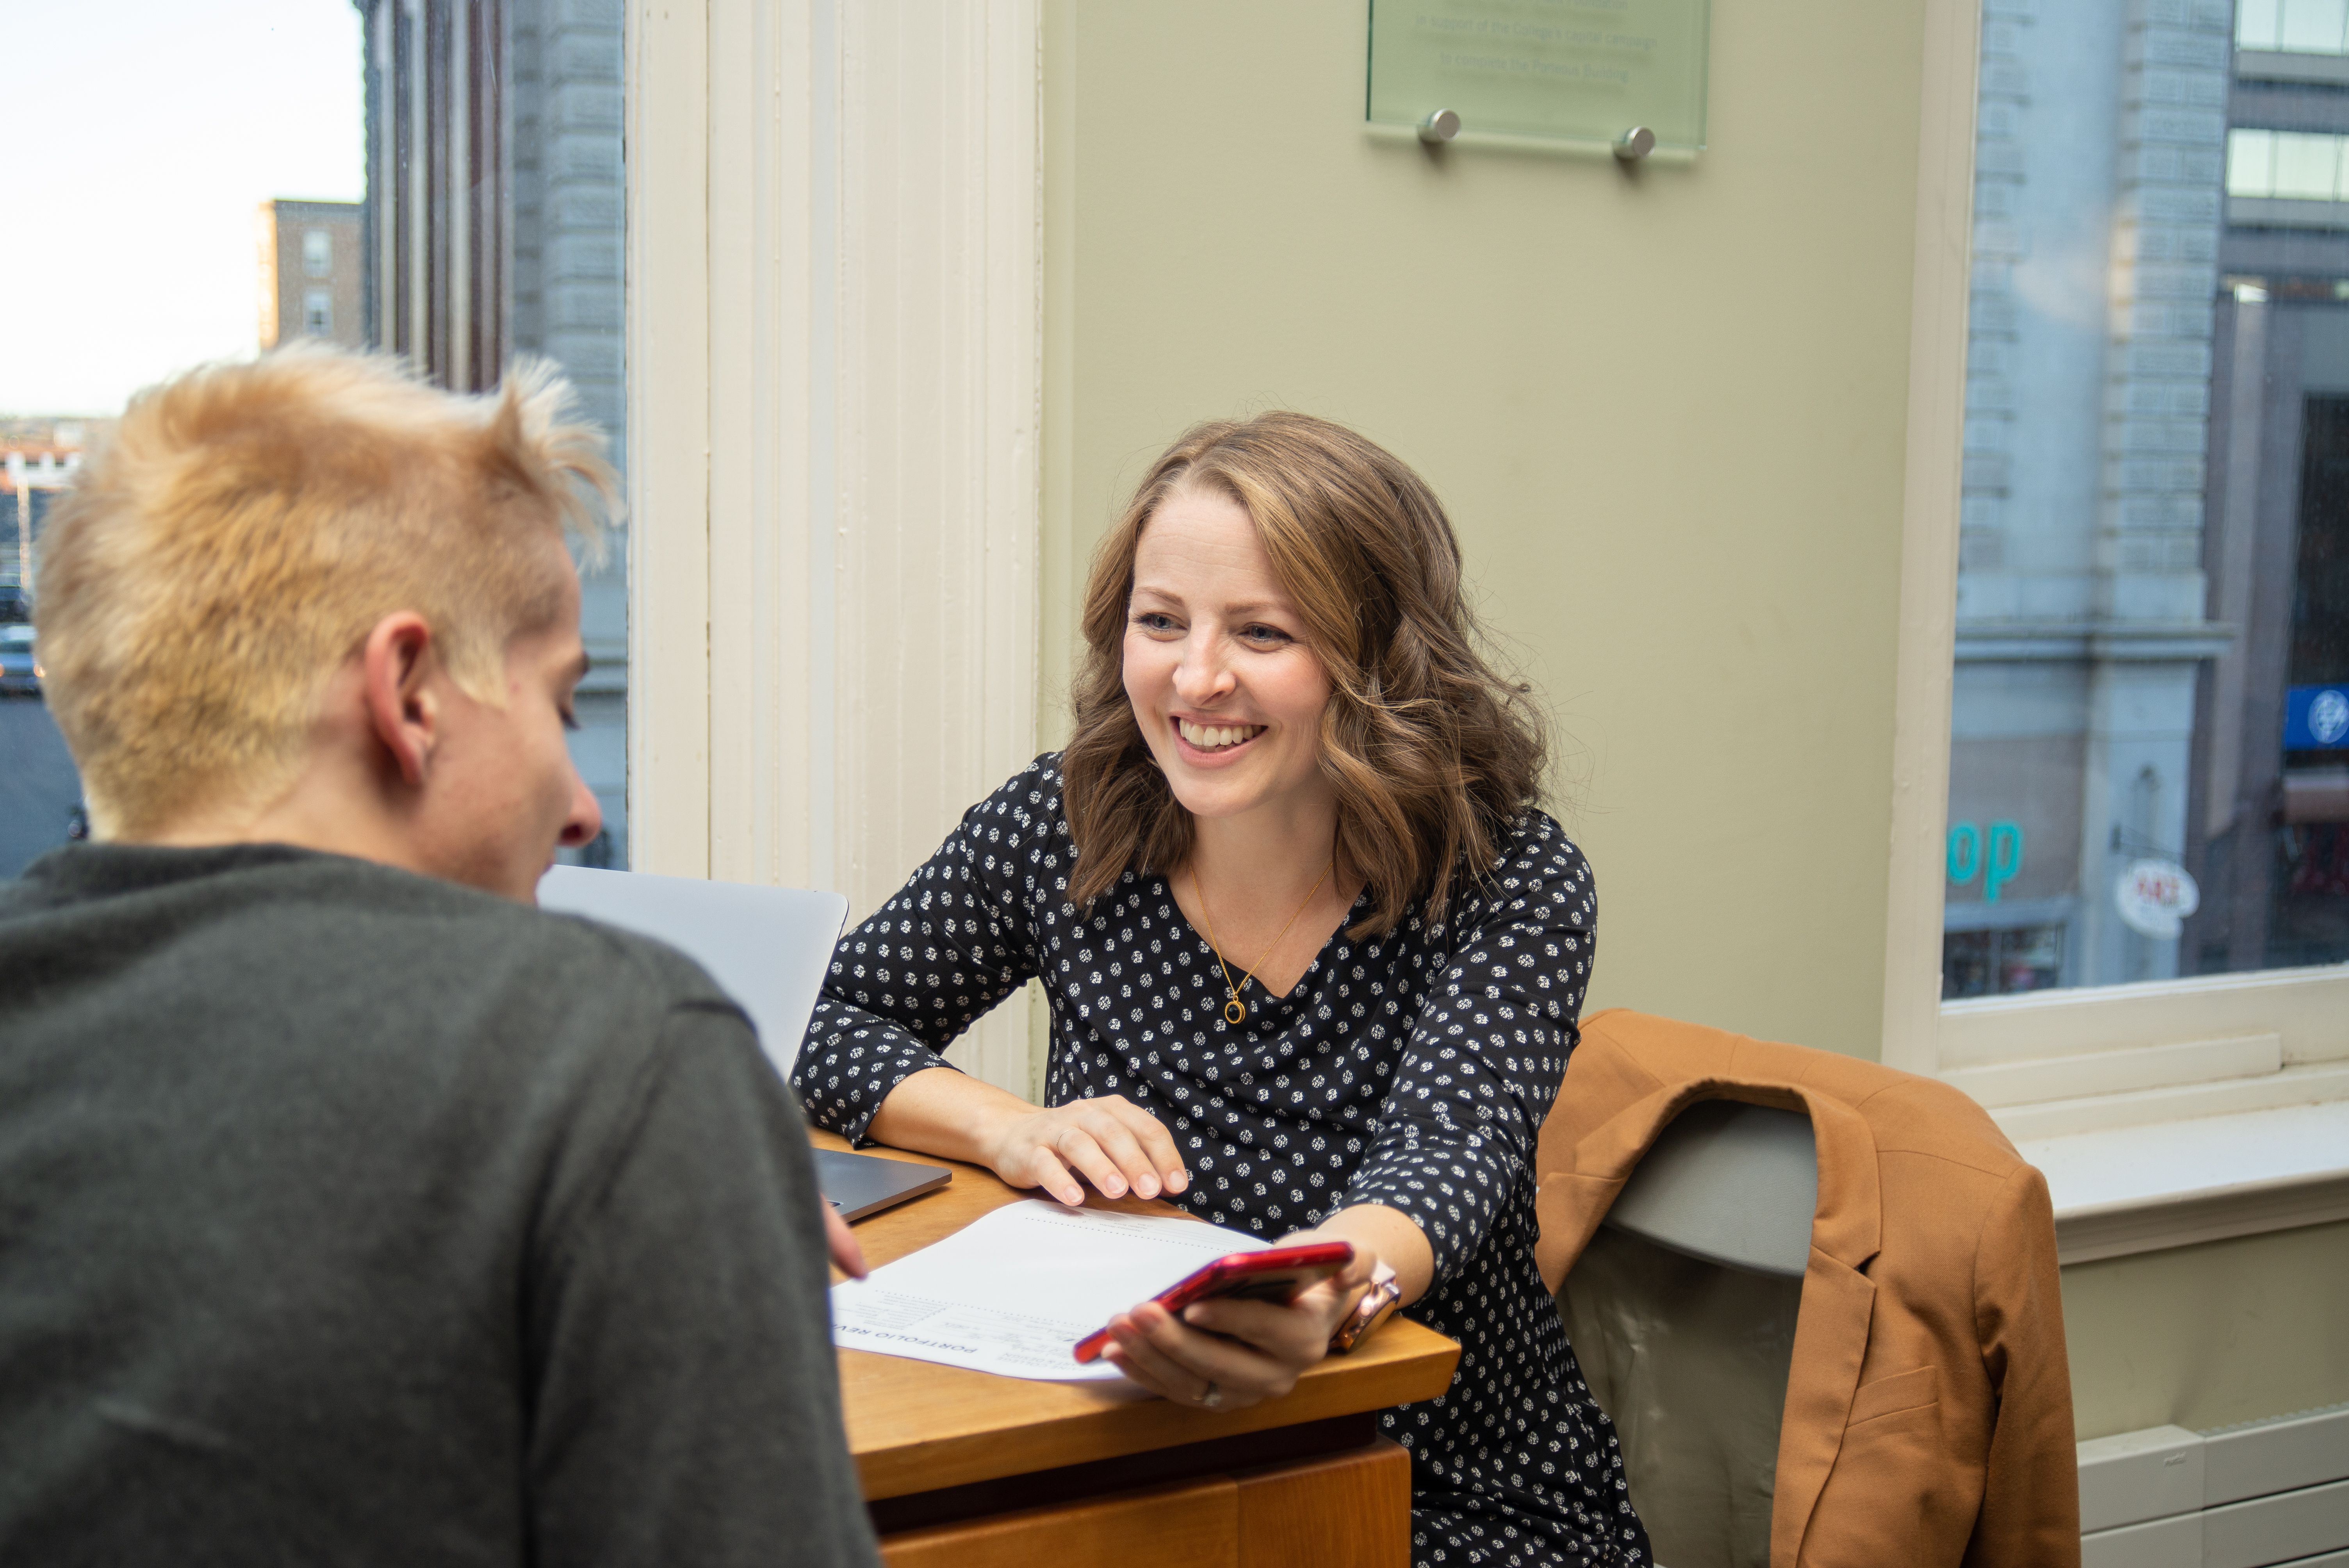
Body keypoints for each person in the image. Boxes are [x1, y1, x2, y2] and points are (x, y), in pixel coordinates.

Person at [0, 346, 879, 1567]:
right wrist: (674, 1169)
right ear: (408, 691)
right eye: (562, 706)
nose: (580, 803)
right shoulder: (615, 1057)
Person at [794, 413, 1652, 1567]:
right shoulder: (1065, 818)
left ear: (1377, 657)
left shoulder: (1506, 878)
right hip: (1134, 1455)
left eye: (1263, 632)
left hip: (1442, 1494)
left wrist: (1325, 1294)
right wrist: (1010, 1127)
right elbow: (817, 1020)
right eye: (1162, 623)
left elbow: (1454, 1152)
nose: (1197, 679)